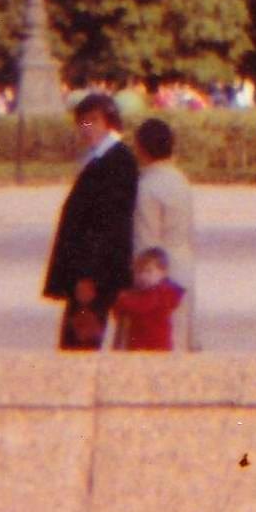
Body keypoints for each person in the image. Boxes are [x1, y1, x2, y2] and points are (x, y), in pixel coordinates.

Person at [42, 92, 140, 351]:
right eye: (82, 122)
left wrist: (90, 277)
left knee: (80, 343)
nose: (87, 128)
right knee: (76, 341)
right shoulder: (99, 158)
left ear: (109, 121)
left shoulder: (117, 161)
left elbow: (109, 225)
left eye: (93, 120)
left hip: (94, 276)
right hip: (84, 273)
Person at [132, 118, 197, 350]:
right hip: (183, 265)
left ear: (141, 147)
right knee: (179, 341)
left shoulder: (146, 187)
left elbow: (145, 242)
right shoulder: (180, 180)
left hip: (158, 273)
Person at [110, 247, 185, 352]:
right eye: (138, 272)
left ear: (163, 273)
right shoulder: (139, 293)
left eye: (148, 271)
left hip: (157, 349)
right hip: (138, 347)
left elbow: (144, 306)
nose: (143, 276)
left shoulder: (162, 292)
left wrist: (123, 301)